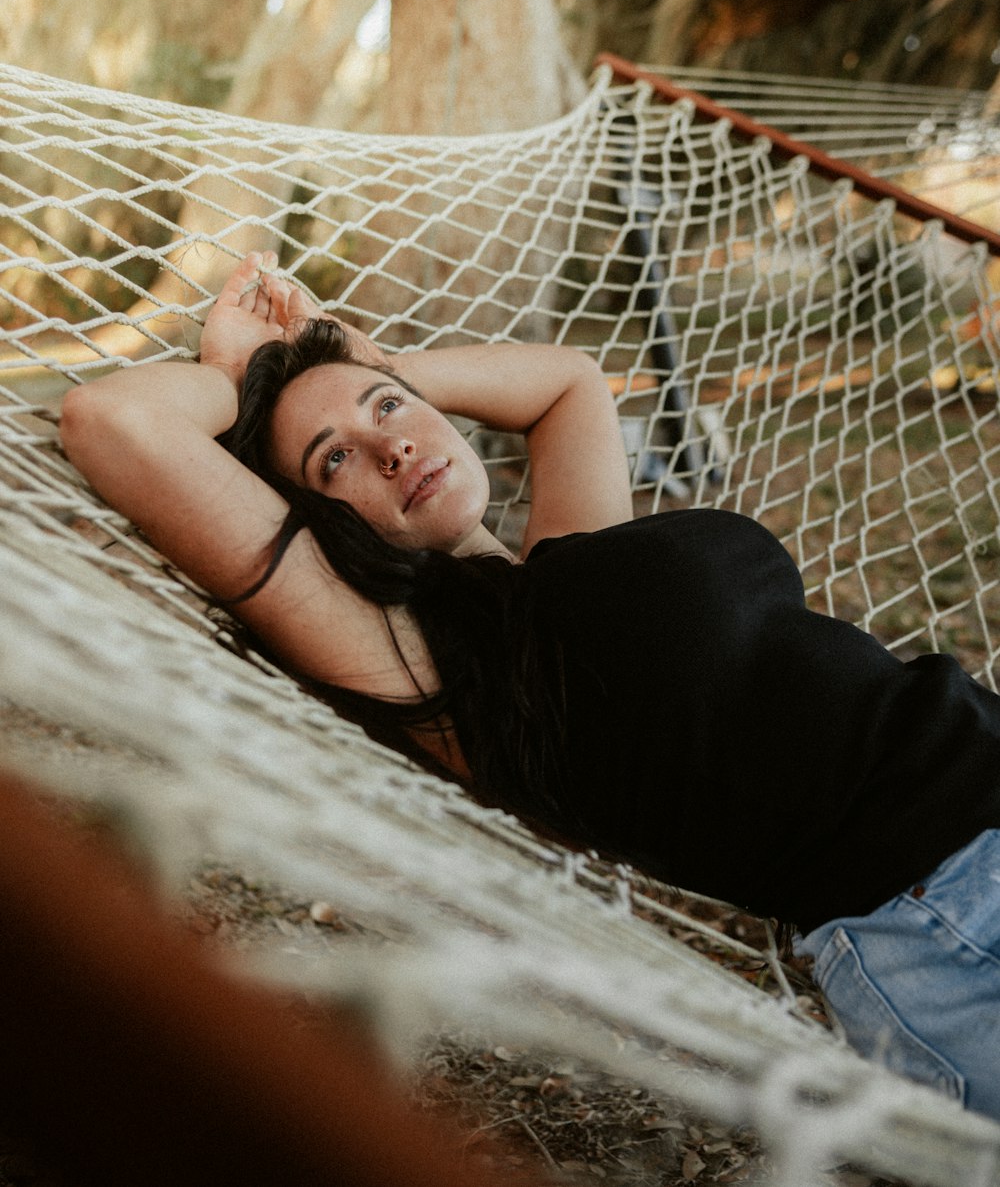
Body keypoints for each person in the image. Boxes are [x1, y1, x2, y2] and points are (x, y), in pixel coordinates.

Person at [60, 251, 1000, 1121]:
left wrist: (356, 365)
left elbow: (568, 383)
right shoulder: (421, 666)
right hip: (946, 913)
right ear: (321, 527)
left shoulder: (561, 566)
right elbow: (115, 420)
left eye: (387, 411)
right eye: (333, 460)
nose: (386, 448)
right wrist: (244, 378)